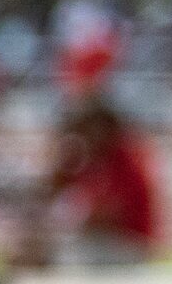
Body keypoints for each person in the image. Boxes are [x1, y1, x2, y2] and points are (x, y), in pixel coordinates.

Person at [45, 98, 161, 269]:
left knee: (69, 260)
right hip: (102, 242)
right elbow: (54, 191)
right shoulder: (93, 161)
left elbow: (112, 214)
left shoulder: (127, 161)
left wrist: (79, 218)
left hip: (128, 242)